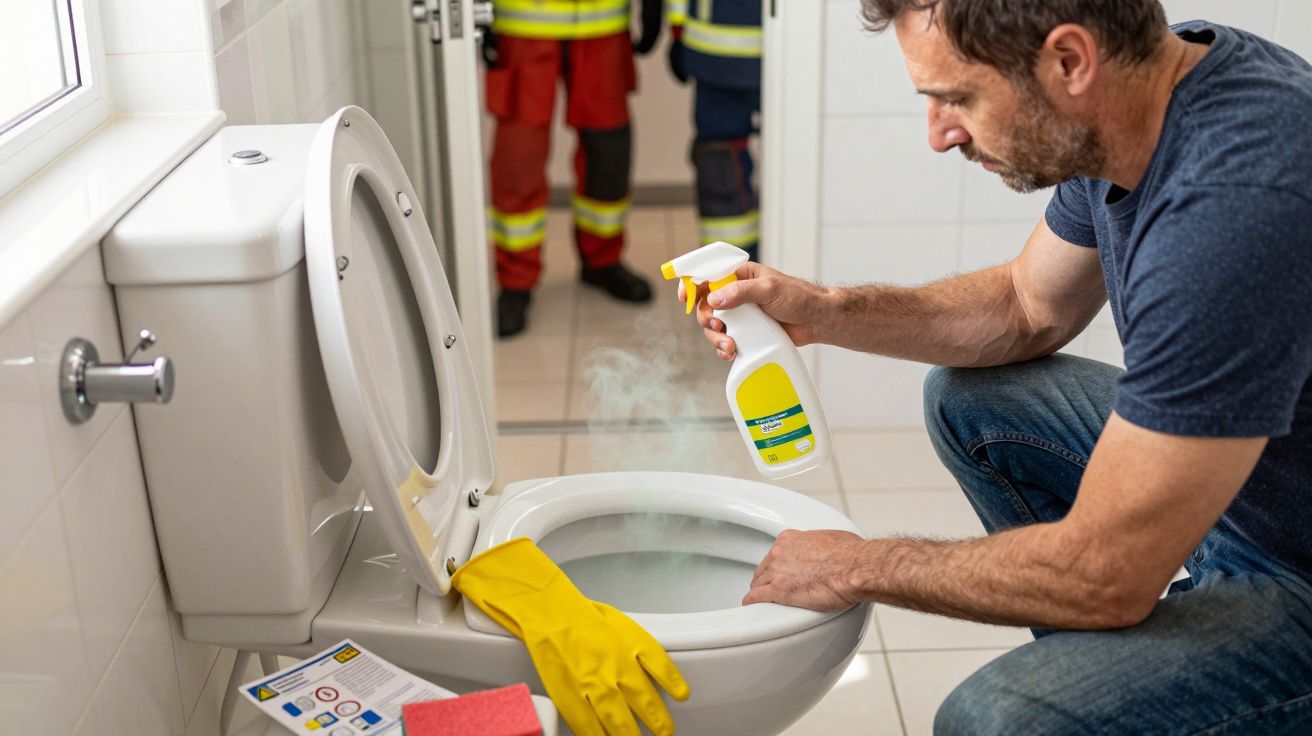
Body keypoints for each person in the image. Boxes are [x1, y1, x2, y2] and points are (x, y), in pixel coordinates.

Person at [686, 1, 1312, 732]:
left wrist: (855, 565)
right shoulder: (1143, 95)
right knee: (977, 402)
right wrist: (821, 311)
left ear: (1070, 61)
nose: (938, 134)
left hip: (1293, 567)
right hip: (1253, 495)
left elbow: (1105, 575)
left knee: (992, 719)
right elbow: (1026, 306)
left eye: (956, 98)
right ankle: (1126, 690)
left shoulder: (1234, 210)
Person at [482, 0, 663, 337]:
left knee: (608, 155)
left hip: (604, 24)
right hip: (524, 23)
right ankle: (515, 280)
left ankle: (602, 260)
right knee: (519, 160)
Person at [666, 0, 762, 259]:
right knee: (718, 162)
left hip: (785, 53)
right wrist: (678, 29)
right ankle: (728, 266)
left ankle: (732, 266)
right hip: (714, 58)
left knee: (801, 163)